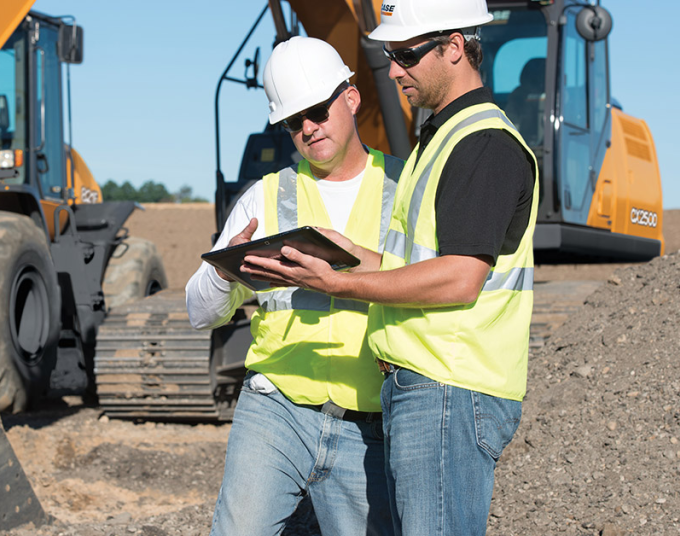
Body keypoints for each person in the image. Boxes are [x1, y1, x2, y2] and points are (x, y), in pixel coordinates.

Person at [239, 1, 539, 534]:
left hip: (451, 385)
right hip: (426, 386)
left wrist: (340, 283)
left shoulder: (482, 144)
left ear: (453, 47)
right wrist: (345, 250)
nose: (394, 69)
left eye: (405, 54)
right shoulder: (439, 141)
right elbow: (417, 261)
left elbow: (459, 276)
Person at [186, 36, 403, 536]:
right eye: (292, 121)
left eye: (318, 111)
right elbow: (200, 312)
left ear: (351, 96)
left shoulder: (406, 187)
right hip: (275, 408)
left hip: (369, 416)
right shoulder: (264, 197)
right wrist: (224, 272)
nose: (307, 128)